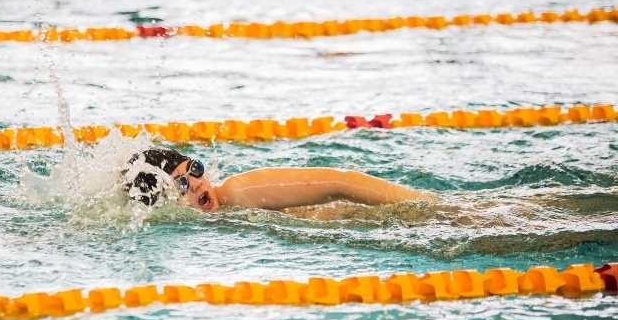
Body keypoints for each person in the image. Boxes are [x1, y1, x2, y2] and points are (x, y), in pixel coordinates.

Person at [123, 147, 437, 212]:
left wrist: (422, 204)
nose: (195, 183)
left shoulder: (238, 191)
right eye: (180, 184)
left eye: (195, 169)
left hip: (391, 215)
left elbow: (340, 182)